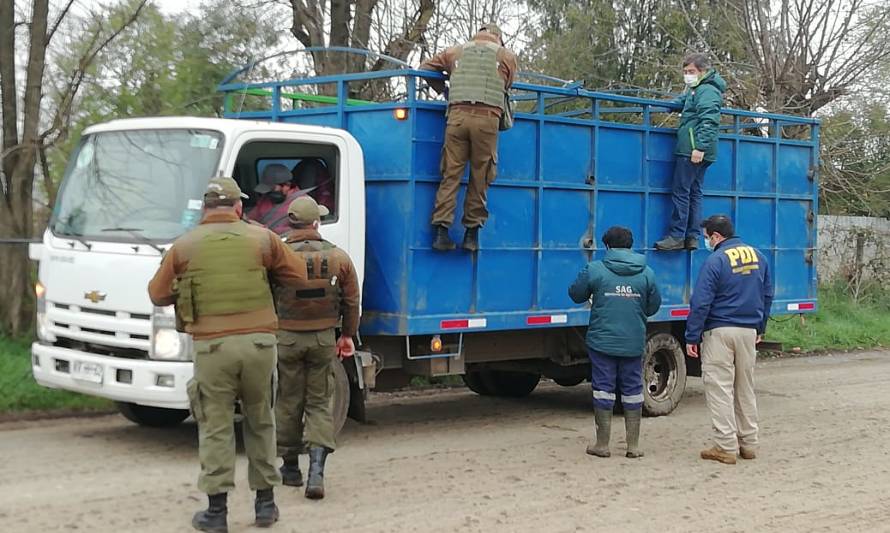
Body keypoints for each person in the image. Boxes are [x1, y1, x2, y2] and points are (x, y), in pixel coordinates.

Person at [147, 177, 309, 532]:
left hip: (212, 348)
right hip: (259, 346)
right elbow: (299, 274)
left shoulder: (184, 245)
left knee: (216, 425)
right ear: (239, 207)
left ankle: (216, 513)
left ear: (205, 209)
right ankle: (266, 505)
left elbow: (157, 295)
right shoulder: (262, 239)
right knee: (261, 419)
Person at [273, 196, 361, 500]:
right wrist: (347, 335)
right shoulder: (339, 258)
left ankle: (290, 469)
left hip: (285, 339)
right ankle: (316, 473)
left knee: (287, 401)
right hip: (323, 339)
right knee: (319, 403)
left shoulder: (277, 255)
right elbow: (351, 301)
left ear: (291, 222)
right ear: (315, 223)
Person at [420, 22, 518, 252]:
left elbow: (424, 68)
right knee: (480, 175)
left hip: (456, 118)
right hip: (487, 120)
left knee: (450, 174)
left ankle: (441, 233)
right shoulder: (506, 55)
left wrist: (445, 90)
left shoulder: (456, 51)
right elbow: (507, 85)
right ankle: (471, 236)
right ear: (498, 38)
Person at [685, 215, 773, 465]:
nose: (705, 241)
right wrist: (760, 327)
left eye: (706, 237)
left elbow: (701, 302)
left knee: (720, 388)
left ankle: (725, 446)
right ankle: (749, 444)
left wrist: (692, 335)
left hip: (720, 331)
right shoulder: (759, 257)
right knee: (745, 387)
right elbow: (767, 294)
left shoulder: (716, 260)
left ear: (715, 236)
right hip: (748, 331)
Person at [568, 226, 661, 458]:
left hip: (602, 341)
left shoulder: (596, 269)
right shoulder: (647, 272)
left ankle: (602, 445)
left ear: (607, 246)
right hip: (633, 341)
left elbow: (575, 294)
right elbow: (653, 307)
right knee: (632, 390)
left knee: (603, 389)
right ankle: (633, 446)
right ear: (630, 245)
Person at [655, 53, 726, 251]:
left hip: (693, 150)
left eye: (691, 72)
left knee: (681, 192)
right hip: (695, 149)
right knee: (694, 193)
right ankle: (692, 237)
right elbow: (683, 101)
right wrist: (665, 106)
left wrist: (699, 147)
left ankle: (677, 235)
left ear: (703, 71)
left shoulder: (706, 91)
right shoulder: (697, 89)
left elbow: (710, 121)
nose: (688, 75)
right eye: (685, 72)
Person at [250, 165, 305, 235]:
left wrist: (264, 229)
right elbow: (252, 216)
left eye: (272, 189)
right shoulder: (265, 198)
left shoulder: (303, 203)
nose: (269, 192)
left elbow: (302, 231)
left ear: (287, 185)